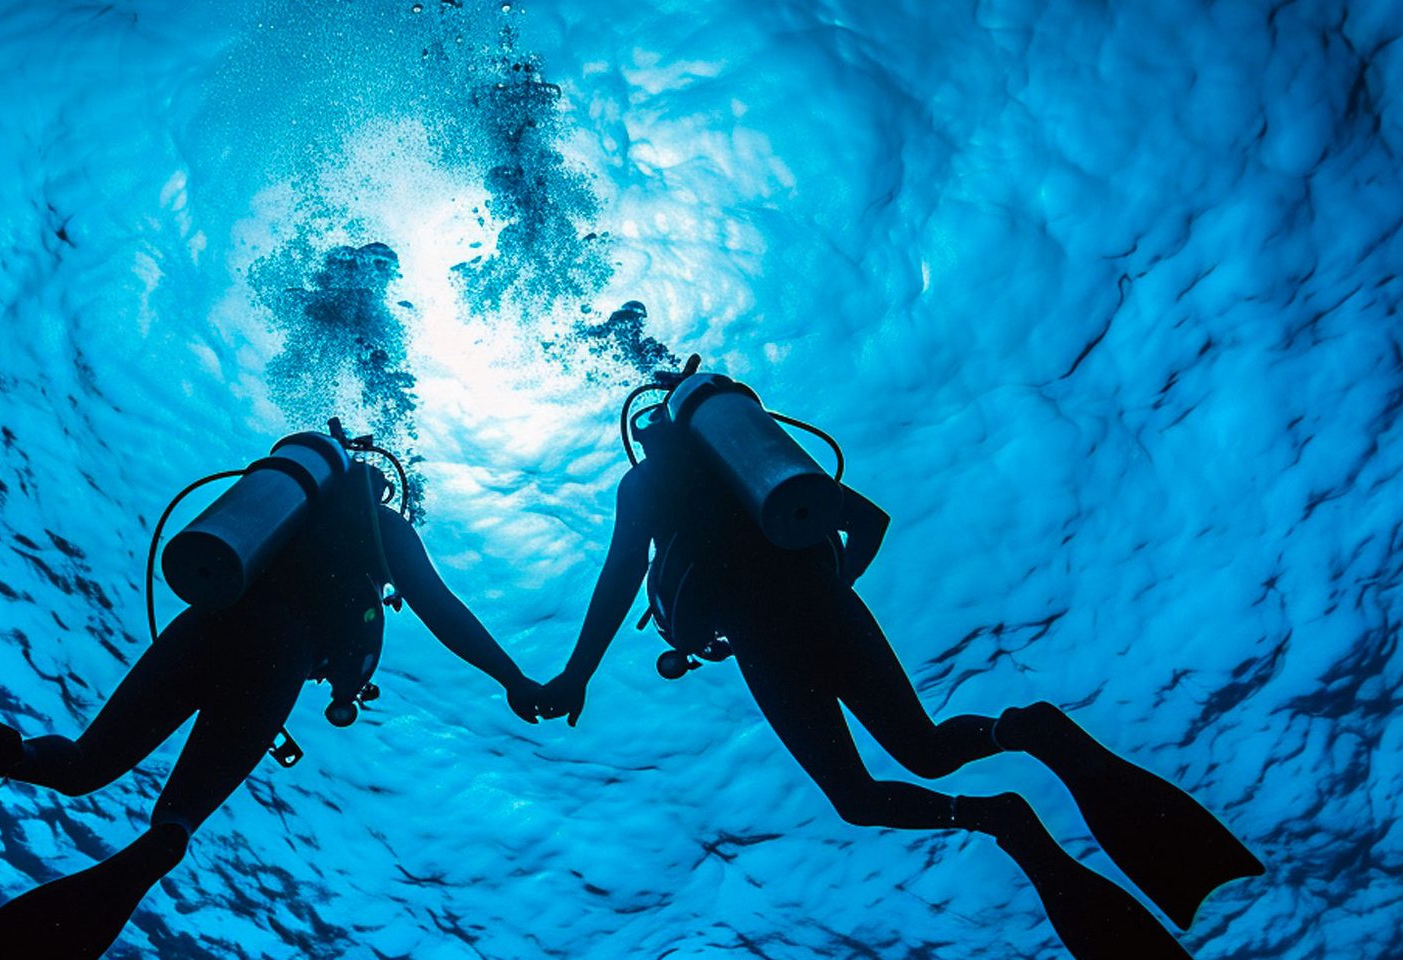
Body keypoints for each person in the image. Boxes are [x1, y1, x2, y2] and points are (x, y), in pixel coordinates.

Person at [0, 427, 542, 959]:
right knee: (169, 828)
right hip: (279, 655)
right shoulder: (383, 531)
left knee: (82, 766)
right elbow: (439, 610)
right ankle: (142, 857)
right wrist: (516, 678)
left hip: (208, 619)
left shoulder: (281, 514)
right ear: (388, 488)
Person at [535, 359, 1261, 960]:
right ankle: (1026, 730)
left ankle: (1000, 819)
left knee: (857, 796)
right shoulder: (759, 464)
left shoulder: (647, 481)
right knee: (927, 747)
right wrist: (828, 589)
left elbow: (624, 570)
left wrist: (577, 673)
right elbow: (870, 522)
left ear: (647, 433)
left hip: (761, 637)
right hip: (825, 601)